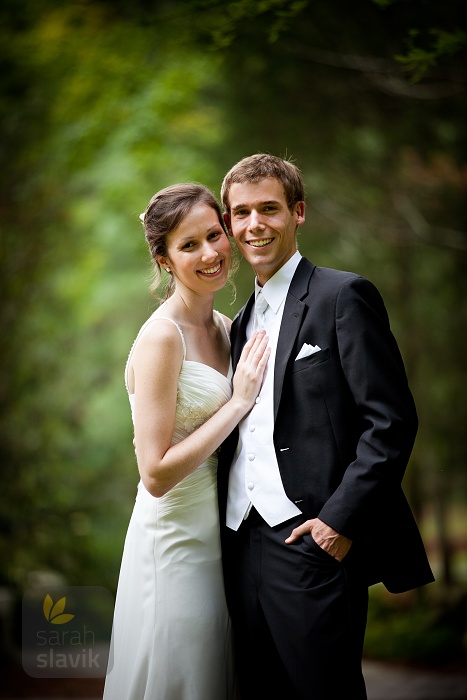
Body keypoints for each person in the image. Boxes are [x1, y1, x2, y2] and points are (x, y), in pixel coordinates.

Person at [216, 154, 435, 700]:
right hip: (240, 541)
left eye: (269, 209)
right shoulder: (240, 321)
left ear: (298, 212)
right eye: (240, 213)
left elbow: (390, 423)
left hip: (312, 540)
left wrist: (338, 522)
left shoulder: (343, 295)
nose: (254, 225)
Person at [103, 183, 269, 700]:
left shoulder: (225, 327)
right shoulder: (161, 337)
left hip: (221, 536)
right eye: (188, 245)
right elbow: (153, 474)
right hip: (173, 538)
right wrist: (237, 403)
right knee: (181, 674)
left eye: (214, 236)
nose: (211, 253)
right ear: (165, 260)